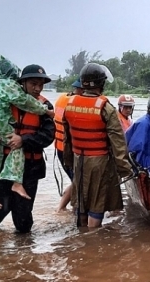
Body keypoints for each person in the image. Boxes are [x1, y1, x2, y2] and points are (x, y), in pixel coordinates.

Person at [0, 63, 55, 233]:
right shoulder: (5, 99)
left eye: (41, 84)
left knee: (23, 216)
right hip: (3, 166)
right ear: (23, 83)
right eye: (33, 84)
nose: (38, 88)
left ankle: (24, 253)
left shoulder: (45, 107)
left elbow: (48, 136)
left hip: (30, 169)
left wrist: (23, 139)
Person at [62, 63, 133, 228]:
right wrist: (125, 170)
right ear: (101, 83)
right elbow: (118, 144)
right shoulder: (106, 108)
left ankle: (81, 236)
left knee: (81, 199)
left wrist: (69, 160)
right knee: (97, 203)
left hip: (78, 159)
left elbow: (67, 139)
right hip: (99, 163)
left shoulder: (70, 104)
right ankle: (92, 241)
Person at [55, 78, 83, 212]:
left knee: (75, 181)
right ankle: (77, 214)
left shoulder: (62, 98)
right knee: (79, 184)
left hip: (60, 149)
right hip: (69, 152)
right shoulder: (75, 104)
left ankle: (61, 208)